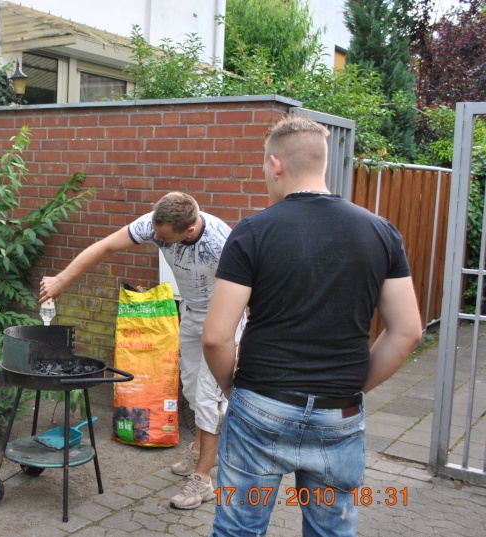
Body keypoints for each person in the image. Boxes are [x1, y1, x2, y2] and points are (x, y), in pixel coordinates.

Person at [201, 115, 423, 536]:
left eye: (265, 167)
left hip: (261, 405)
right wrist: (352, 388)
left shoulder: (252, 232)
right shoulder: (380, 232)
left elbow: (215, 336)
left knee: (237, 529)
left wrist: (232, 388)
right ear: (322, 164)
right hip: (339, 414)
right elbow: (408, 331)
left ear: (276, 164)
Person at [39, 192, 244, 510]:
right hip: (191, 312)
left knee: (208, 397)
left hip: (224, 317)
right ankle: (201, 452)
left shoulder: (222, 243)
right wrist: (61, 280)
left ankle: (203, 479)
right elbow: (105, 246)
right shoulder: (154, 224)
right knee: (190, 388)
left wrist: (244, 341)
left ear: (188, 231)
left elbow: (252, 290)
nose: (156, 239)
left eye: (163, 238)